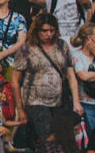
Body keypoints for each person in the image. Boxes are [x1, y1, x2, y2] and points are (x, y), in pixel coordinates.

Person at [17, 13, 78, 145]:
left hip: (59, 101)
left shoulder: (62, 46)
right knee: (48, 136)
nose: (48, 34)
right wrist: (20, 109)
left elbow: (71, 75)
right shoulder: (26, 48)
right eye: (44, 31)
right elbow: (15, 81)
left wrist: (76, 102)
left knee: (62, 136)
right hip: (34, 100)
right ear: (37, 30)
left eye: (52, 30)